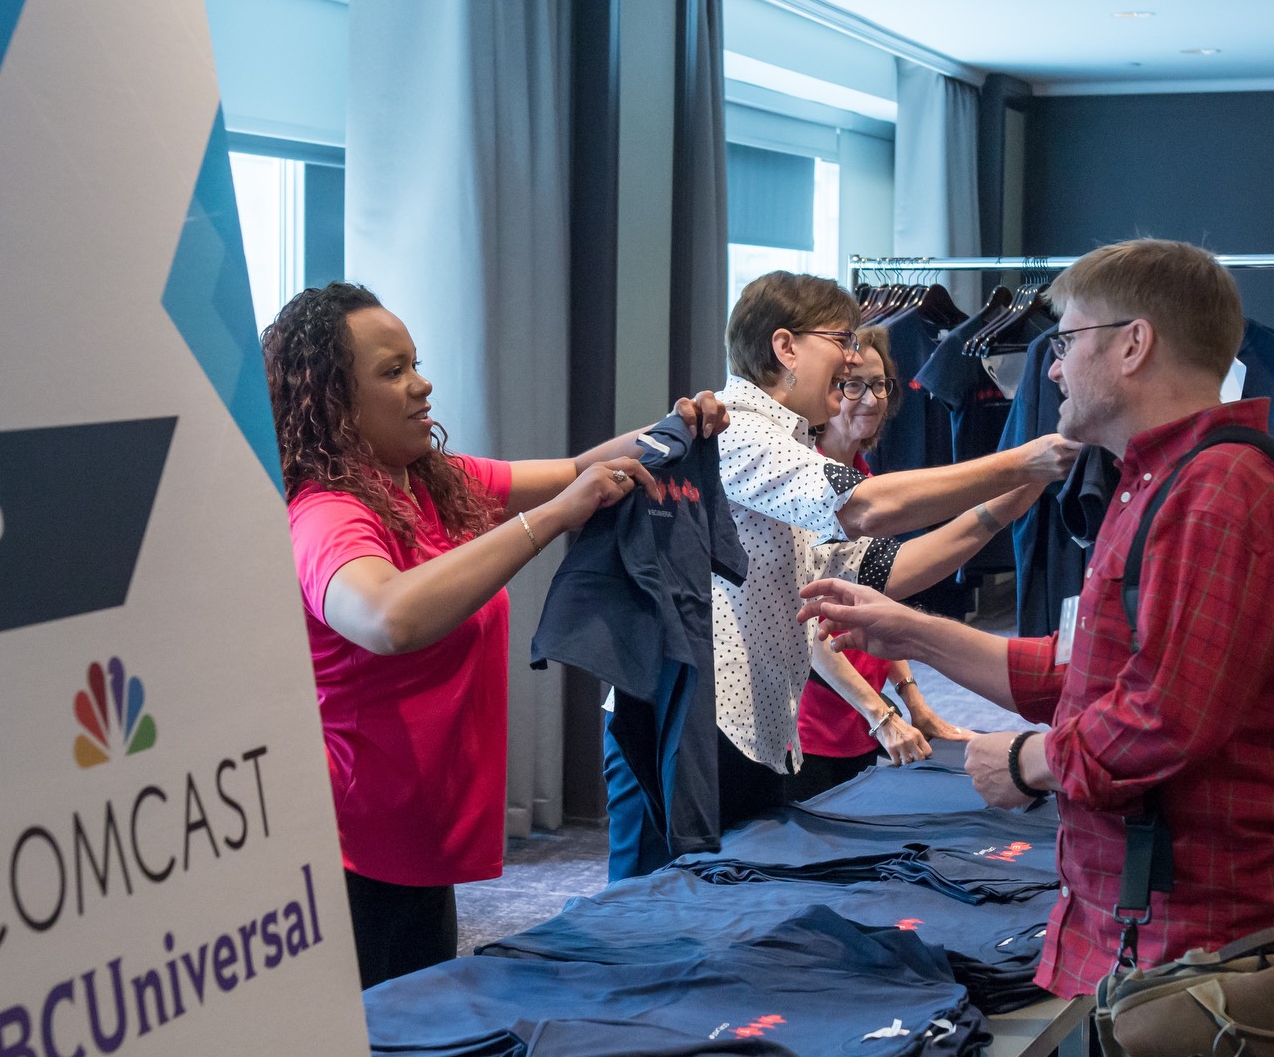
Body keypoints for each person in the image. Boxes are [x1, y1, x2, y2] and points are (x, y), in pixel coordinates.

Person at [800, 239, 1274, 1057]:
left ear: (1132, 345)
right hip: (1178, 924)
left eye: (1063, 341)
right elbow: (1097, 678)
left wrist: (1020, 763)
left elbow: (1162, 722)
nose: (1047, 366)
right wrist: (910, 631)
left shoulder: (1212, 494)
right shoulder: (1166, 482)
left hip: (1210, 932)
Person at [263, 282, 727, 987]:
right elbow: (388, 617)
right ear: (332, 400)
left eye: (415, 363)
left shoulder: (431, 483)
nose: (422, 386)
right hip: (352, 849)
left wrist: (672, 430)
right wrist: (551, 520)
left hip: (420, 841)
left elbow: (578, 473)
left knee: (415, 1046)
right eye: (393, 372)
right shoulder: (325, 514)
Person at [713, 271, 1076, 828]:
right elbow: (864, 509)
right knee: (654, 902)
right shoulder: (741, 431)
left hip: (755, 729)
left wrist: (1002, 507)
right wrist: (1020, 462)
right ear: (785, 347)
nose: (853, 359)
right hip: (701, 727)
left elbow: (883, 572)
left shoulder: (795, 450)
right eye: (842, 340)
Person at [792, 326, 973, 798]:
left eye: (879, 385)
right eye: (853, 386)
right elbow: (805, 626)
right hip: (811, 723)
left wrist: (913, 701)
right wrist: (882, 715)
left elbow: (879, 602)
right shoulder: (799, 483)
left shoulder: (863, 475)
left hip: (861, 716)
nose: (870, 399)